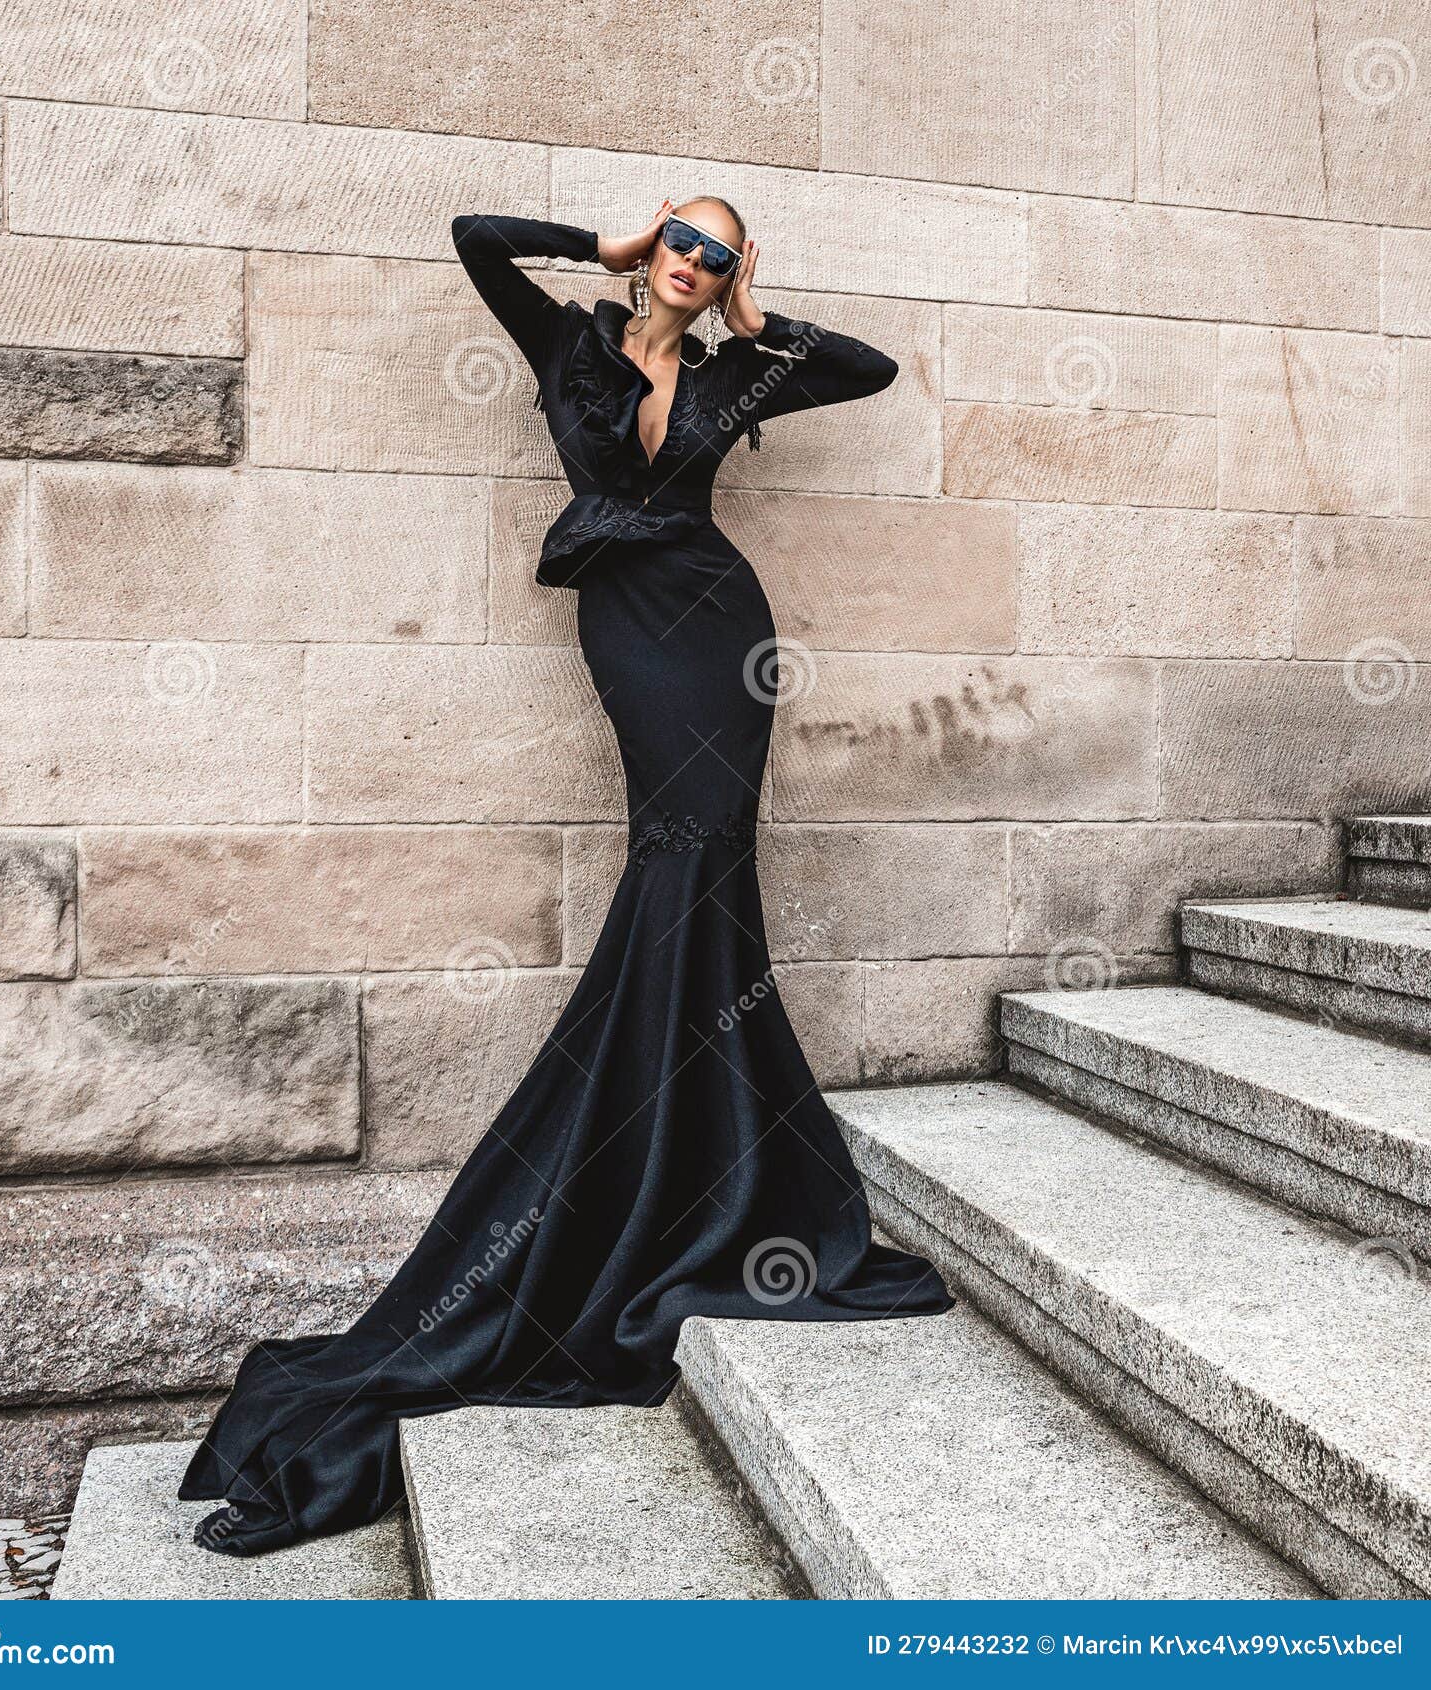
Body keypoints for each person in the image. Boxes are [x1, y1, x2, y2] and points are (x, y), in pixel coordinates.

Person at [180, 197, 954, 1556]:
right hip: (632, 625)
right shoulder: (569, 339)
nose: (693, 262)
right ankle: (660, 1153)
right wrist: (593, 247)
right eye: (681, 238)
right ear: (648, 242)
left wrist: (760, 315)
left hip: (725, 625)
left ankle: (692, 1154)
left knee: (708, 865)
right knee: (677, 854)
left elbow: (872, 372)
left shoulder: (732, 367)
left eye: (717, 252)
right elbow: (475, 236)